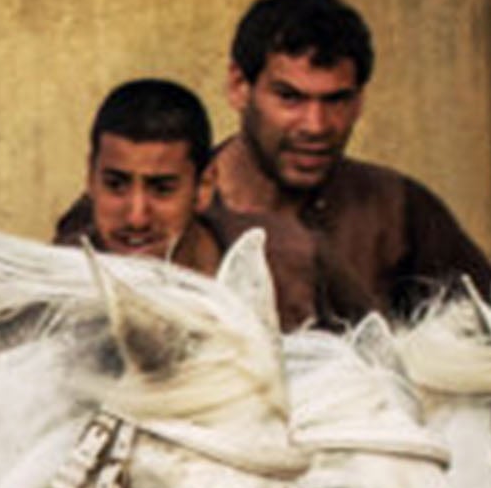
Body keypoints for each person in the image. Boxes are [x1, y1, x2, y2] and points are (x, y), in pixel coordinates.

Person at [209, 0, 491, 326]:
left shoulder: (397, 210)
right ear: (239, 87)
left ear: (359, 101)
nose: (316, 125)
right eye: (290, 98)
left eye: (336, 100)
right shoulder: (175, 203)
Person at [57, 74, 325, 326]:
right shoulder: (61, 284)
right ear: (90, 178)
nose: (136, 217)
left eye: (162, 189)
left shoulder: (285, 258)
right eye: (115, 185)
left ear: (204, 187)